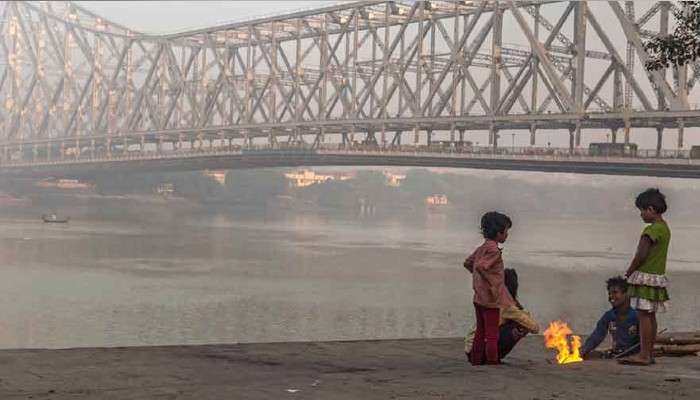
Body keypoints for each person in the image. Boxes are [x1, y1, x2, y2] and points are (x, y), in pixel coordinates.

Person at [619, 188, 670, 366]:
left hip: (646, 277)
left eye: (641, 210)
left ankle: (644, 355)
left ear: (651, 209)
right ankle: (649, 353)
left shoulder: (652, 230)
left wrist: (629, 271)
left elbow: (641, 255)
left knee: (643, 316)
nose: (641, 215)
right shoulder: (665, 228)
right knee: (651, 315)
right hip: (657, 276)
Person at [463, 211, 516, 365]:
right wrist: (490, 282)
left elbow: (468, 263)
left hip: (478, 297)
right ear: (498, 232)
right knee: (492, 335)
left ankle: (476, 361)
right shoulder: (494, 251)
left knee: (480, 332)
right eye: (506, 231)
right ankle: (492, 362)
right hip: (490, 299)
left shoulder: (482, 248)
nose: (507, 235)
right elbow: (481, 266)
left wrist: (478, 279)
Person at [464, 268, 539, 362]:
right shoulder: (507, 306)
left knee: (515, 323)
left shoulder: (494, 299)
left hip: (471, 350)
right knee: (519, 326)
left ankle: (491, 356)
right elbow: (535, 328)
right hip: (478, 351)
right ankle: (492, 358)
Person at [581, 276, 639, 359]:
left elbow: (646, 339)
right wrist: (583, 350)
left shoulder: (637, 316)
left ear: (626, 294)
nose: (611, 296)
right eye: (609, 293)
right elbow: (597, 335)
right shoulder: (609, 316)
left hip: (634, 354)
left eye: (615, 292)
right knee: (588, 355)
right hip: (616, 353)